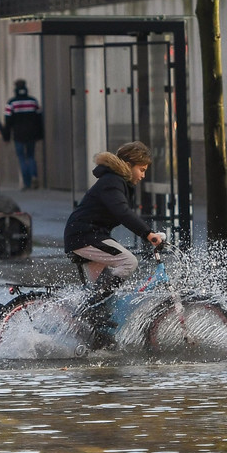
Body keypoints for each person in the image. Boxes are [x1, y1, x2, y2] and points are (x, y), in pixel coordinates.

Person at [64, 141, 166, 350]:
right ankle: (90, 309)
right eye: (142, 169)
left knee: (104, 298)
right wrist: (148, 234)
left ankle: (99, 342)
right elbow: (122, 212)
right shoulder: (112, 182)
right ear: (129, 164)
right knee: (128, 261)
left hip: (89, 235)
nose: (143, 175)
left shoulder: (115, 181)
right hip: (85, 236)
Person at [2, 79, 43, 190]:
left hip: (18, 135)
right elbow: (39, 119)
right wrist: (40, 134)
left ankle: (26, 182)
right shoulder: (33, 101)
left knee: (21, 158)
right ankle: (34, 175)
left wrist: (6, 137)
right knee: (31, 156)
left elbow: (8, 121)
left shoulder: (12, 103)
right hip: (32, 134)